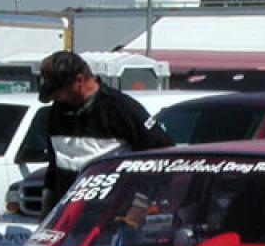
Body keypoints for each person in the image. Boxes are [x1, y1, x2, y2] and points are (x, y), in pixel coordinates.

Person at [37, 50, 172, 212]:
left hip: (113, 215)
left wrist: (139, 207)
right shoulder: (57, 113)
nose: (56, 98)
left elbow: (161, 154)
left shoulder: (120, 108)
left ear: (79, 81)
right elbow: (54, 168)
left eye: (59, 92)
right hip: (70, 215)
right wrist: (47, 212)